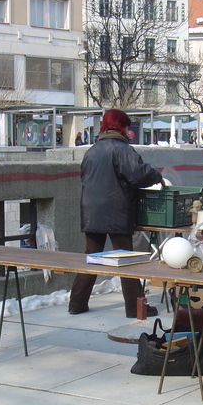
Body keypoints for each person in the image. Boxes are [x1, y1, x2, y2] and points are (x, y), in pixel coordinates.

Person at [68, 109, 166, 318]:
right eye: (127, 127)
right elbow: (139, 174)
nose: (128, 131)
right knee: (126, 259)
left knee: (92, 258)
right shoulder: (122, 150)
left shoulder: (91, 151)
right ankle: (134, 307)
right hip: (116, 211)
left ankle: (76, 303)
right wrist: (157, 175)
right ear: (121, 126)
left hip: (91, 211)